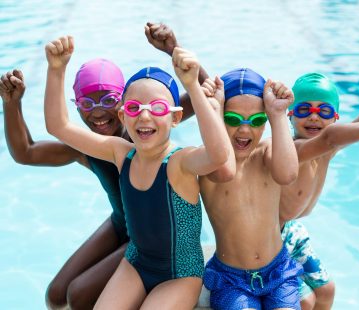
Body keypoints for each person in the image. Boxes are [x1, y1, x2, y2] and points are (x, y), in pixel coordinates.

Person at [0, 23, 208, 309]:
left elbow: (203, 96)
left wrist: (173, 48)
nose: (98, 113)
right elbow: (27, 152)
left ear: (124, 105)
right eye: (87, 103)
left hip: (156, 240)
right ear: (77, 107)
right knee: (56, 295)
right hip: (122, 225)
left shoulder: (142, 133)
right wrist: (12, 105)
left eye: (109, 100)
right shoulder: (91, 147)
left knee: (79, 294)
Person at [44, 35, 234, 309]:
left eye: (157, 108)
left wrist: (192, 85)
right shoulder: (121, 153)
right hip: (135, 264)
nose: (144, 116)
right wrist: (56, 69)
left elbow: (218, 155)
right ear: (123, 116)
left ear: (176, 117)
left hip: (179, 275)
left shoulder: (180, 162)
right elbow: (58, 126)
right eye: (134, 108)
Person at [279, 34, 359, 310]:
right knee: (305, 302)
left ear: (336, 117)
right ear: (290, 114)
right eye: (305, 109)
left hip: (293, 230)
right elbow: (335, 136)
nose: (314, 116)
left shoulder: (327, 147)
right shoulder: (290, 150)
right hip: (271, 238)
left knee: (327, 290)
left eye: (324, 110)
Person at [199, 68, 303, 310]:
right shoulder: (208, 163)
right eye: (233, 119)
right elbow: (225, 168)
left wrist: (278, 115)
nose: (245, 130)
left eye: (256, 121)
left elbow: (287, 174)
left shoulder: (267, 154)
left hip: (279, 272)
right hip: (231, 279)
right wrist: (213, 110)